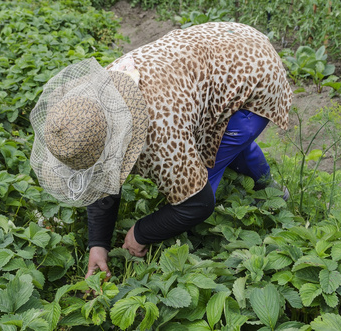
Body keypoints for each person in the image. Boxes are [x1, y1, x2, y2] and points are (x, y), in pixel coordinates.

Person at [29, 22, 292, 279]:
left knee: (205, 171)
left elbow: (197, 204)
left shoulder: (160, 135)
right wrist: (98, 243)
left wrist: (142, 233)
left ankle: (266, 197)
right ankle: (270, 188)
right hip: (223, 44)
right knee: (229, 145)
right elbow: (101, 175)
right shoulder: (93, 101)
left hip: (254, 71)